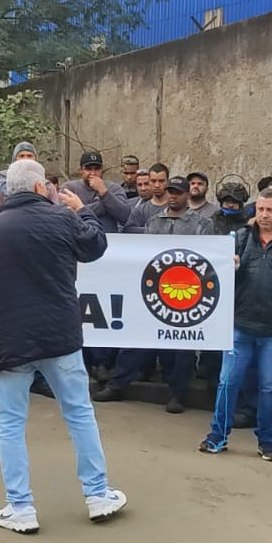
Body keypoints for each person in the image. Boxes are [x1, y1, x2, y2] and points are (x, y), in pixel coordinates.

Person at [0, 157, 125, 533]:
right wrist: (82, 209)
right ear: (41, 187)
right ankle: (97, 494)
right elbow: (95, 245)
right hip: (59, 335)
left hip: (9, 337)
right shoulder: (62, 219)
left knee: (9, 422)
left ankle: (20, 506)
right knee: (79, 413)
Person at [200, 188, 272, 461]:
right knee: (227, 383)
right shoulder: (239, 239)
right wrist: (230, 268)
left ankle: (267, 442)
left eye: (270, 210)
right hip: (238, 327)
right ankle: (217, 436)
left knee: (269, 388)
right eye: (260, 209)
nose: (264, 215)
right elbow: (214, 279)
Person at [95, 176, 212, 411]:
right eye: (171, 192)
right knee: (136, 339)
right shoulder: (153, 221)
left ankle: (178, 395)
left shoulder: (201, 224)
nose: (173, 196)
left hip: (186, 293)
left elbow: (208, 256)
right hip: (153, 289)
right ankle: (117, 385)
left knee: (183, 347)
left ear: (187, 195)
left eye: (178, 192)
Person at [61, 151, 133, 233]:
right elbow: (65, 217)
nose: (93, 173)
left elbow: (125, 217)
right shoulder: (69, 188)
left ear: (102, 169)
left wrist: (104, 192)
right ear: (80, 170)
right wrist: (103, 206)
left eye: (97, 169)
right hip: (78, 238)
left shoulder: (114, 188)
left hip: (108, 238)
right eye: (88, 169)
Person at [127, 163, 171, 230]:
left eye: (161, 181)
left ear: (168, 182)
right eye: (153, 181)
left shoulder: (176, 208)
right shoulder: (140, 211)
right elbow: (128, 231)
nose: (157, 185)